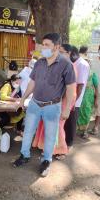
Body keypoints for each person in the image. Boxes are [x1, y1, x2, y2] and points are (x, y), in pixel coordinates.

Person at [13, 33, 76, 177]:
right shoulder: (39, 63)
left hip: (52, 107)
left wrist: (66, 110)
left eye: (47, 45)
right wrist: (23, 99)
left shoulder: (66, 65)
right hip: (35, 104)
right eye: (43, 44)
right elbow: (32, 83)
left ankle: (46, 161)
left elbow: (71, 89)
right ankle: (24, 156)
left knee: (50, 136)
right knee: (28, 131)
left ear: (57, 47)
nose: (43, 47)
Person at [63, 45, 89, 148]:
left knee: (71, 123)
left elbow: (80, 85)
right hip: (68, 98)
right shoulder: (73, 63)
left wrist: (73, 102)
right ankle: (64, 142)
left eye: (64, 53)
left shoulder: (82, 64)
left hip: (74, 100)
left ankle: (69, 144)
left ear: (71, 53)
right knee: (66, 122)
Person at [77, 69, 99, 139]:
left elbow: (96, 87)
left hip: (88, 97)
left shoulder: (92, 73)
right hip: (78, 93)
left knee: (86, 113)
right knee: (77, 112)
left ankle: (84, 131)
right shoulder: (77, 70)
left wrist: (96, 100)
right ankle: (75, 129)